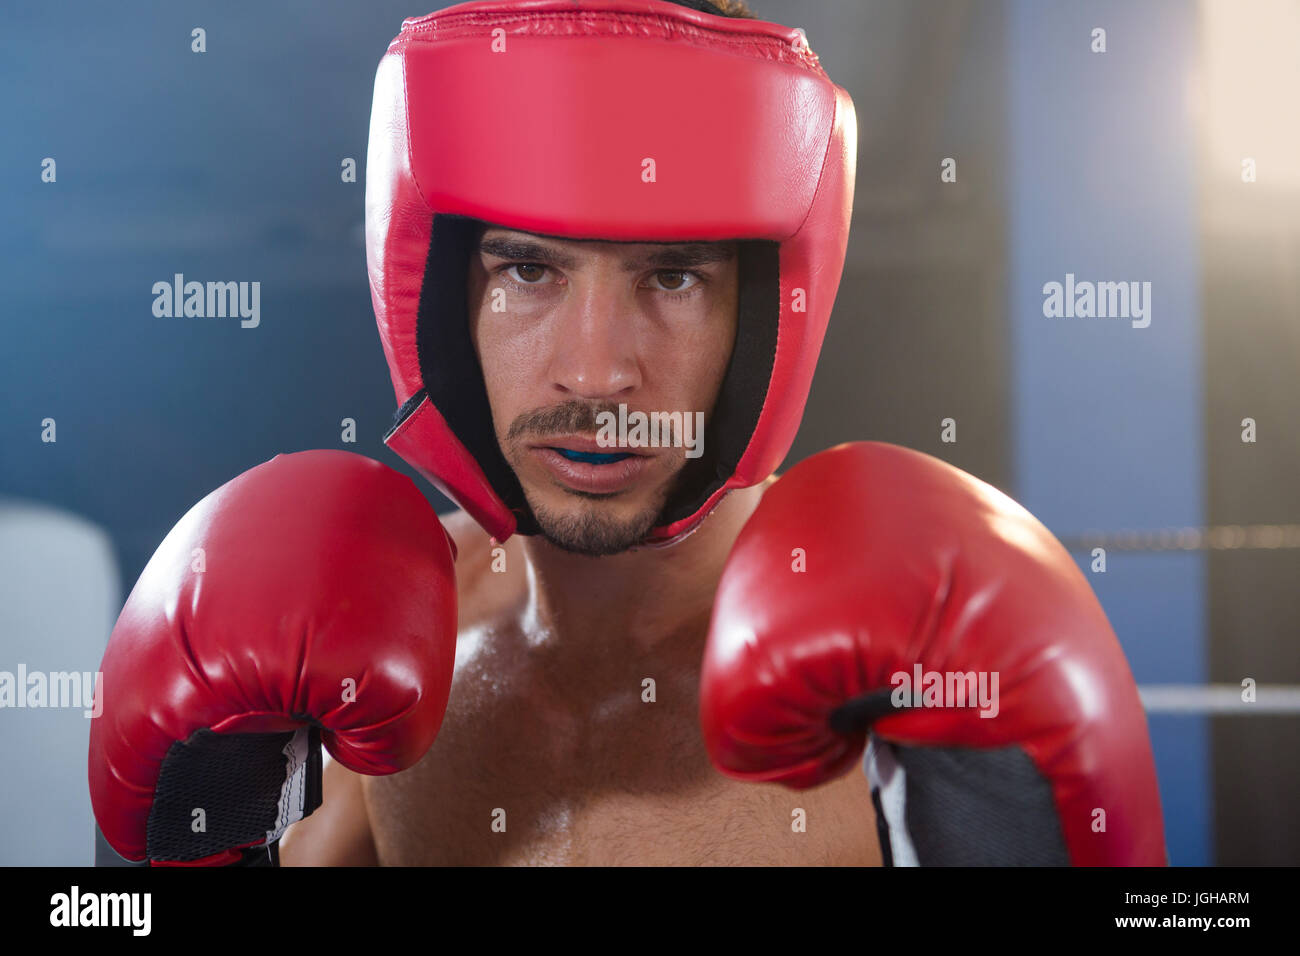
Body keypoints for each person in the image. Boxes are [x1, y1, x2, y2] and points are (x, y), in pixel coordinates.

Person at [89, 0, 1166, 867]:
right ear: (435, 295)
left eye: (672, 275)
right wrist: (182, 836)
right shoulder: (387, 645)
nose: (598, 371)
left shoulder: (897, 670)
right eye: (527, 269)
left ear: (761, 309)